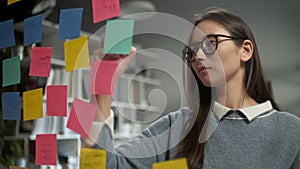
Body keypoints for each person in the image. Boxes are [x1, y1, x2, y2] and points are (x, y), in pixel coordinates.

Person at [82, 7, 300, 169]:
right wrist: (101, 88)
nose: (198, 57)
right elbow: (107, 166)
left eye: (210, 43)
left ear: (245, 50)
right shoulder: (176, 127)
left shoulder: (291, 131)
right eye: (192, 51)